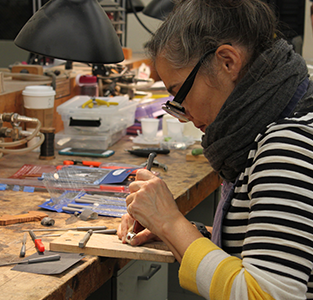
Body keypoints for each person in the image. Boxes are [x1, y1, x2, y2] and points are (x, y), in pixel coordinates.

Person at [117, 0, 313, 299]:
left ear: (227, 62)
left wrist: (171, 223)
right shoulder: (274, 121)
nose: (183, 113)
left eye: (179, 93)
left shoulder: (287, 146)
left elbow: (267, 294)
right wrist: (181, 233)